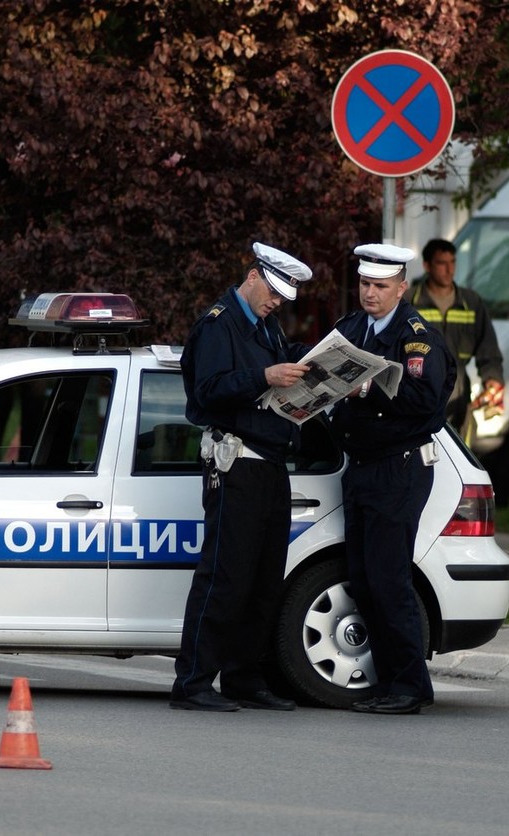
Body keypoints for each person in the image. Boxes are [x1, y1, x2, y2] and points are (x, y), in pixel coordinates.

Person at [170, 242, 314, 712]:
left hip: (271, 462)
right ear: (253, 276)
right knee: (225, 578)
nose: (276, 303)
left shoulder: (265, 326)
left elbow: (276, 363)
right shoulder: (219, 325)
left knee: (264, 579)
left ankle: (243, 678)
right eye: (272, 292)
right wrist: (264, 376)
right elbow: (208, 392)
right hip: (236, 462)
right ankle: (192, 683)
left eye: (282, 298)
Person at [331, 243, 456, 715]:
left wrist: (367, 385)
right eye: (364, 284)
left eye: (381, 286)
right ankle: (388, 681)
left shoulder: (417, 335)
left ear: (401, 288)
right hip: (362, 467)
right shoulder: (351, 327)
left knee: (388, 579)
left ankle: (409, 687)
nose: (370, 294)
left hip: (398, 468)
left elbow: (426, 398)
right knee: (363, 579)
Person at [408, 238, 504, 438]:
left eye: (452, 262)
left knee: (462, 457)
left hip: (459, 399)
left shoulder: (471, 302)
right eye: (442, 263)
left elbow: (489, 349)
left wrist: (492, 379)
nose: (449, 269)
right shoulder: (409, 302)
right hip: (417, 398)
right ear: (427, 265)